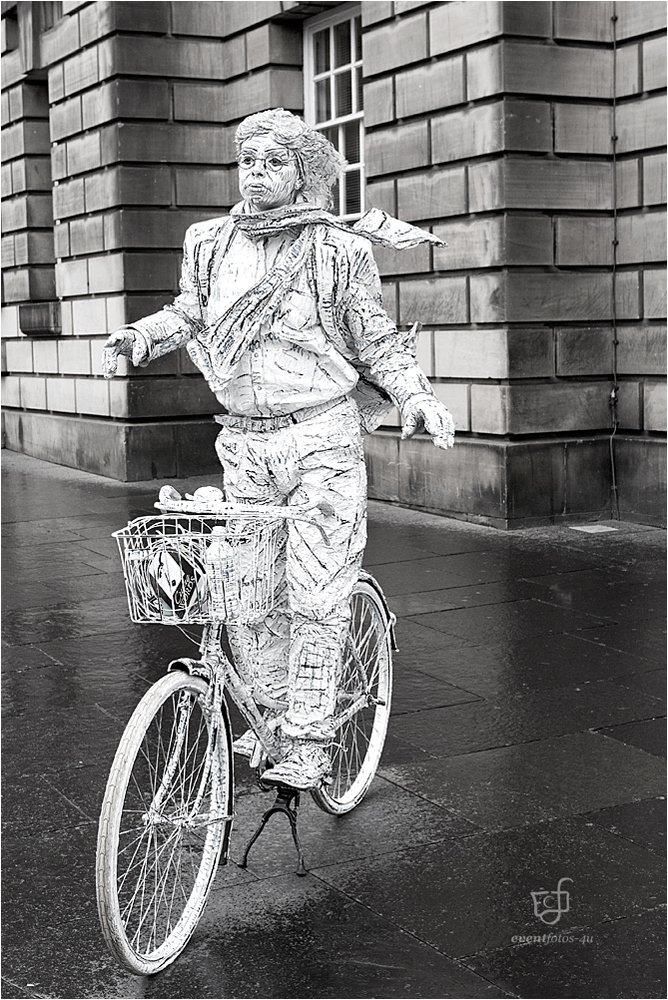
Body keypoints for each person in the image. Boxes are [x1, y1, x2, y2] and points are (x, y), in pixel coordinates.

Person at [103, 108, 455, 789]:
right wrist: (140, 337)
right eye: (248, 162)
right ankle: (269, 720)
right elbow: (189, 311)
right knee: (251, 594)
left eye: (273, 163)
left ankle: (312, 742)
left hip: (321, 440)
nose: (257, 174)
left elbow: (376, 337)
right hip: (244, 445)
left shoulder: (336, 252)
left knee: (317, 596)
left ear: (302, 174)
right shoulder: (208, 241)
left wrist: (415, 396)